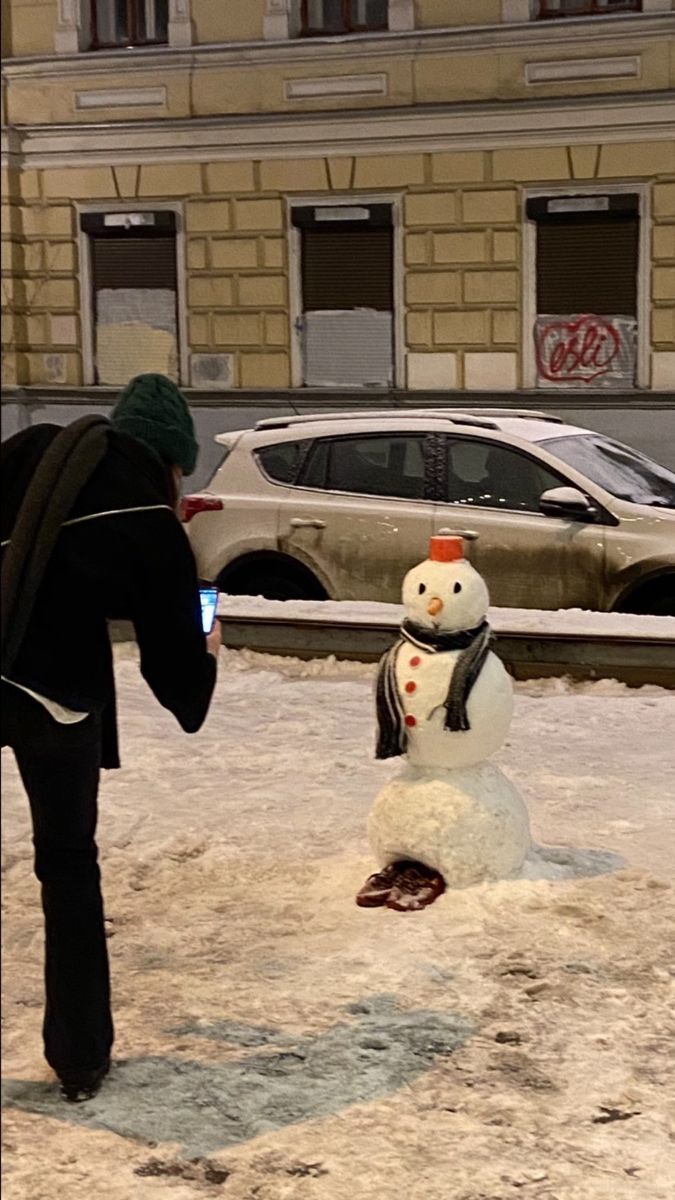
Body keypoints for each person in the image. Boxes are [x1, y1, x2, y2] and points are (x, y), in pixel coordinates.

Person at [1, 373, 221, 1103]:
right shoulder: (144, 515)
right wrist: (207, 648)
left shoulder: (32, 452)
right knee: (66, 867)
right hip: (51, 696)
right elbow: (174, 672)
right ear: (167, 459)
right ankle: (79, 1057)